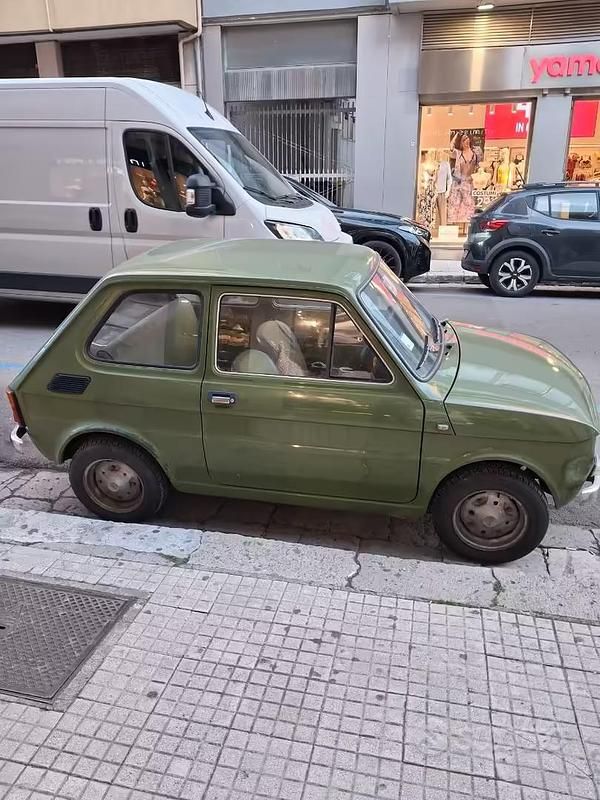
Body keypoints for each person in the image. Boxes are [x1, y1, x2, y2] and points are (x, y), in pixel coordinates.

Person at [448, 132, 480, 227]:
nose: (465, 142)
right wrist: (456, 136)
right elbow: (451, 148)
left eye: (467, 140)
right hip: (458, 182)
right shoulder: (458, 153)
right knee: (455, 204)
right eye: (463, 141)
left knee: (469, 204)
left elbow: (479, 166)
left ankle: (467, 226)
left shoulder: (475, 154)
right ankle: (454, 226)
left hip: (469, 183)